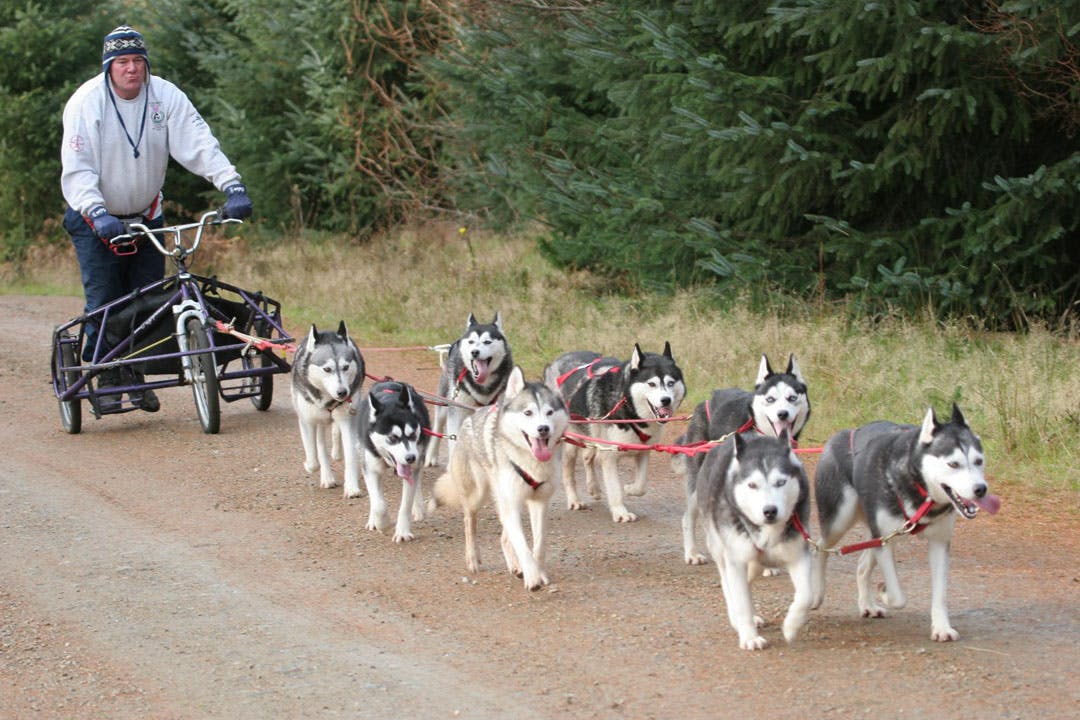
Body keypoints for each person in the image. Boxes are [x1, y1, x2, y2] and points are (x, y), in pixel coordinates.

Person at [61, 25, 252, 412]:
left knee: (147, 300)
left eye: (138, 60)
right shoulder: (86, 103)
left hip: (147, 216)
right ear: (109, 67)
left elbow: (199, 144)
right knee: (106, 301)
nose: (132, 69)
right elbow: (78, 168)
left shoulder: (165, 96)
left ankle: (135, 373)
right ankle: (106, 374)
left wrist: (232, 185)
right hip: (95, 218)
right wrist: (97, 211)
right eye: (122, 62)